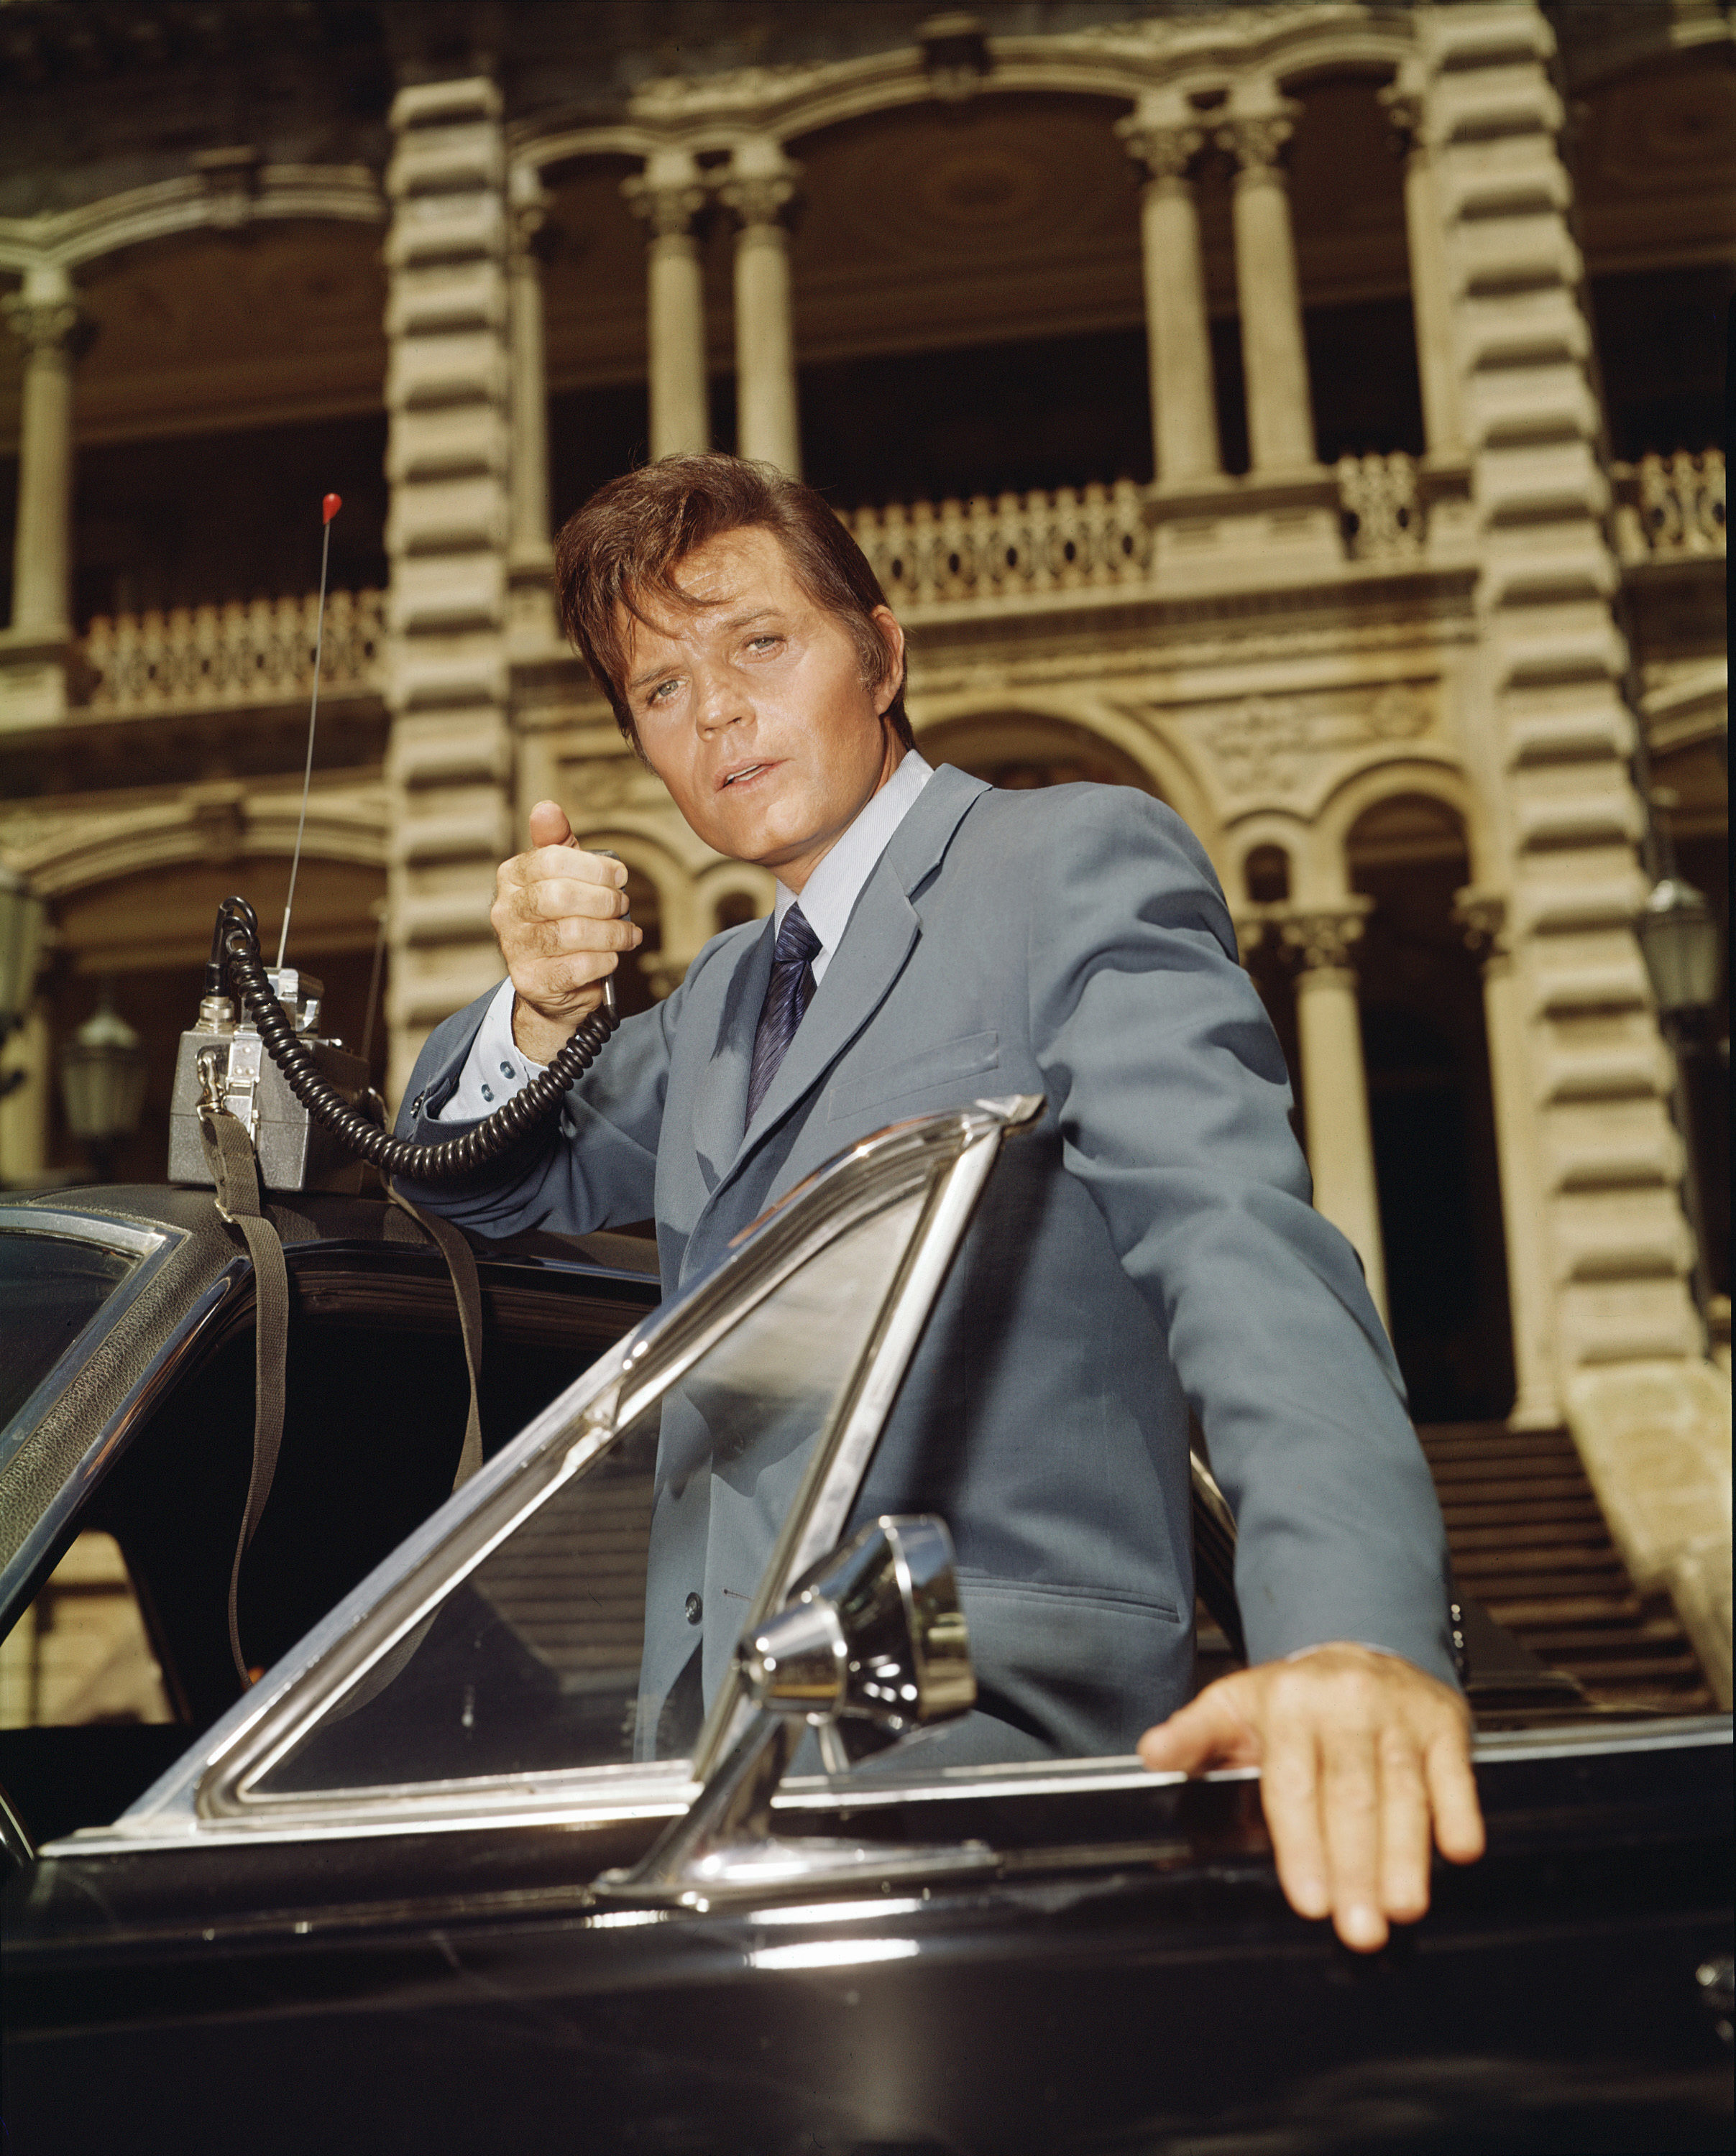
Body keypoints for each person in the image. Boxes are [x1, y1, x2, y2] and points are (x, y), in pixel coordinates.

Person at [395, 453, 1484, 1953]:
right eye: (656, 689)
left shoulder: (1067, 864)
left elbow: (1236, 1245)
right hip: (707, 1784)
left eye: (756, 644)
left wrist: (1350, 1634)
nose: (711, 713)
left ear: (882, 653)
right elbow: (491, 1188)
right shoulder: (717, 999)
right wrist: (526, 1013)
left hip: (1003, 1767)